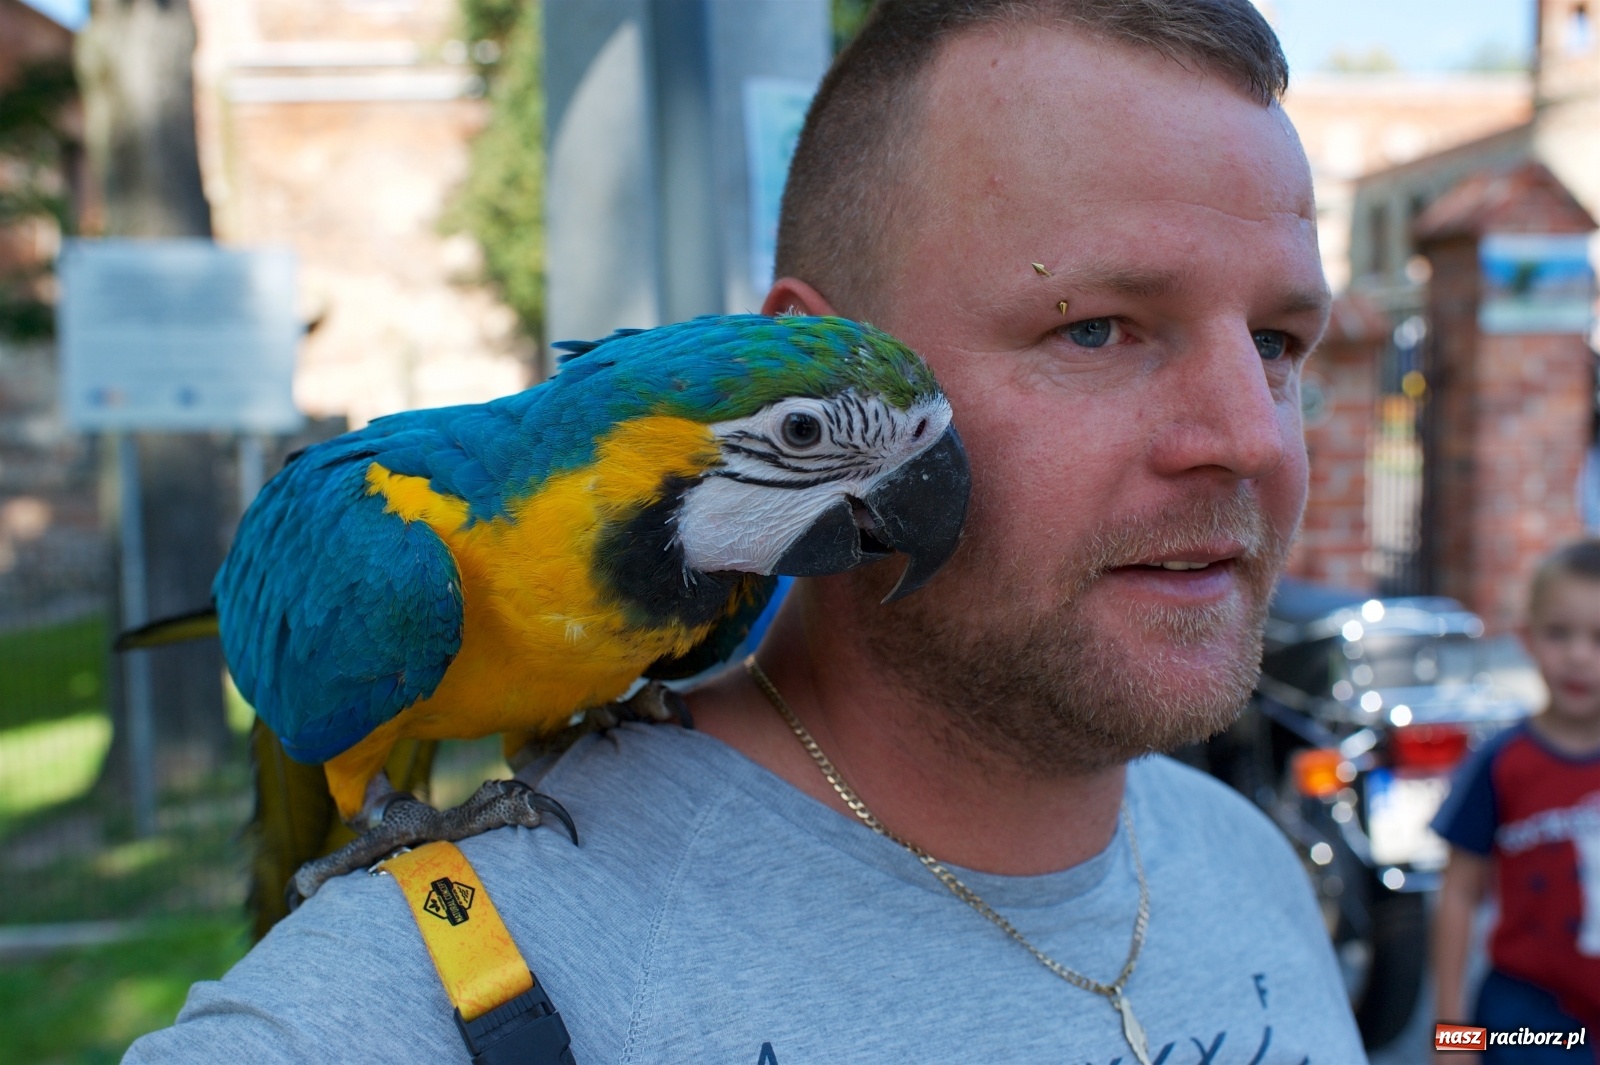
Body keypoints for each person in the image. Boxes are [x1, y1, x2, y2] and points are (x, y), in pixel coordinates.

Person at [125, 1, 1363, 1062]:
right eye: (1091, 327)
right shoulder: (414, 992)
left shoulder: (1252, 864)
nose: (1251, 439)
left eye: (1277, 343)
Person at [1432, 540, 1600, 1061]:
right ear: (1526, 638)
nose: (1578, 656)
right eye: (1559, 633)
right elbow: (1459, 895)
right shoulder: (1501, 763)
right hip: (1529, 1018)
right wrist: (1452, 1036)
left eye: (1599, 638)